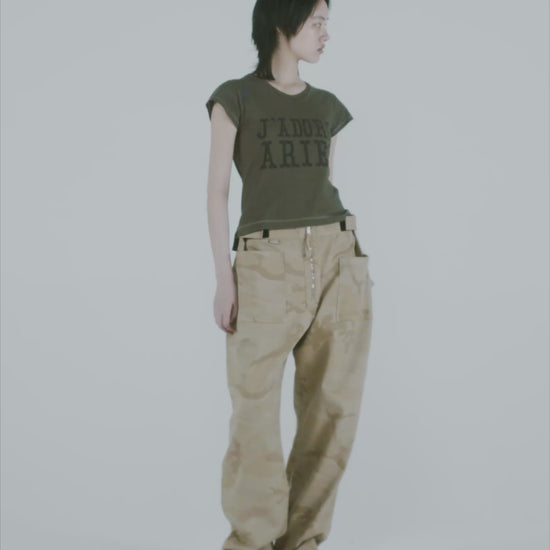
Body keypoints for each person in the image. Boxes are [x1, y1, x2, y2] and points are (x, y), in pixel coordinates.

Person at [205, 1, 374, 549]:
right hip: (264, 266)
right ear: (284, 21)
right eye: (317, 21)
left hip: (337, 255)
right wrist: (224, 278)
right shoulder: (235, 98)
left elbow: (321, 187)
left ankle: (301, 542)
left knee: (333, 412)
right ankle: (253, 541)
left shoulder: (328, 108)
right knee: (253, 418)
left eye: (327, 23)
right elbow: (217, 192)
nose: (326, 34)